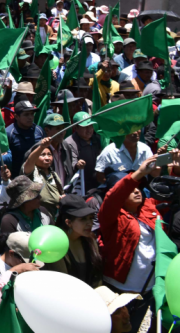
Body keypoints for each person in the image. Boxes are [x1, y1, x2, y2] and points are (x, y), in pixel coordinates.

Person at [99, 154, 169, 329]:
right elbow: (112, 198)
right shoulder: (111, 216)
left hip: (149, 288)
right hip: (121, 289)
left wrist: (176, 168)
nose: (137, 190)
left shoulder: (148, 207)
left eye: (137, 188)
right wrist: (138, 173)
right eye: (131, 189)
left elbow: (172, 194)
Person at [47, 194, 102, 287]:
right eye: (83, 219)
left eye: (91, 218)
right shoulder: (54, 246)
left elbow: (97, 278)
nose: (90, 223)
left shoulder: (91, 239)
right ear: (68, 222)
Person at [21, 138, 64, 215]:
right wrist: (41, 147)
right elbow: (30, 161)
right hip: (37, 216)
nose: (47, 158)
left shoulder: (54, 175)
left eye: (49, 154)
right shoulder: (31, 171)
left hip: (54, 216)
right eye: (42, 155)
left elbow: (61, 193)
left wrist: (62, 198)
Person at [63, 111, 104, 193]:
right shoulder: (69, 143)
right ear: (76, 128)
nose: (89, 130)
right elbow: (72, 165)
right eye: (85, 127)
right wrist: (77, 165)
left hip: (99, 184)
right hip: (81, 187)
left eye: (91, 126)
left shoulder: (98, 138)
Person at [6, 101, 44, 177]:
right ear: (16, 116)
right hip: (17, 179)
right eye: (26, 114)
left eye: (32, 114)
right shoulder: (9, 133)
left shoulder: (39, 130)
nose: (30, 117)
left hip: (38, 177)